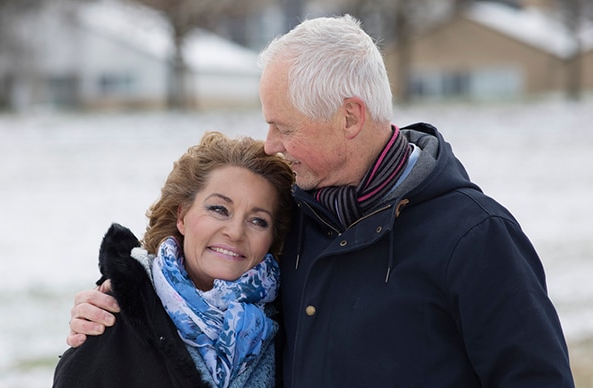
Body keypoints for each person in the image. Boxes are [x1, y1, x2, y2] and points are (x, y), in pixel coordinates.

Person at [67, 15, 575, 387]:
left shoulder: (474, 238)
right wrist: (114, 303)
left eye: (283, 126)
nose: (270, 144)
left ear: (350, 117)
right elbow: (201, 283)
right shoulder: (294, 222)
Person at [54, 131, 294, 387]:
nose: (235, 232)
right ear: (181, 217)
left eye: (258, 220)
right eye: (219, 209)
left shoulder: (292, 320)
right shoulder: (115, 315)